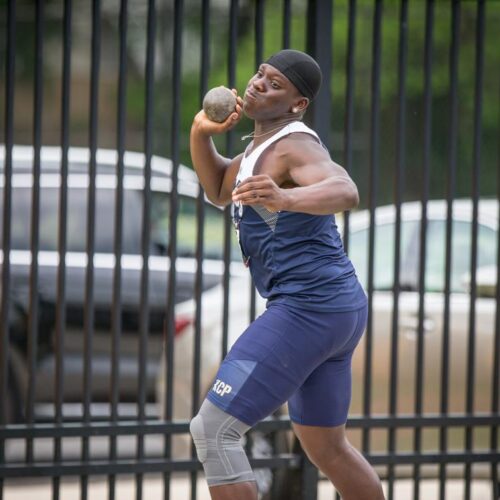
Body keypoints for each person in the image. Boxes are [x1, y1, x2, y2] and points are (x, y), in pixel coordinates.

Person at [189, 49, 385, 500]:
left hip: (309, 307)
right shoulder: (258, 148)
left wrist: (286, 198)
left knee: (214, 430)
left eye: (275, 84)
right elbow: (220, 190)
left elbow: (345, 189)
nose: (259, 84)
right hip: (336, 306)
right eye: (260, 74)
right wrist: (201, 132)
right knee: (326, 447)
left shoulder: (296, 145)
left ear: (297, 104)